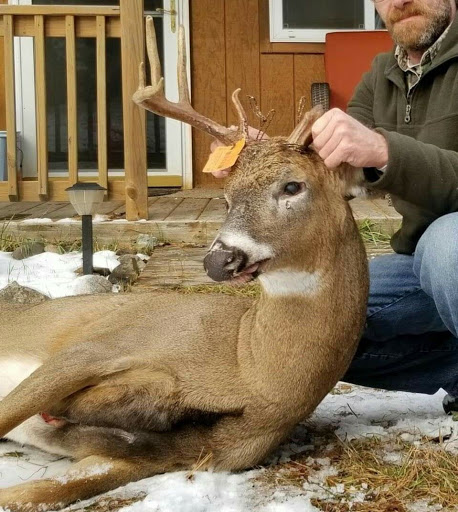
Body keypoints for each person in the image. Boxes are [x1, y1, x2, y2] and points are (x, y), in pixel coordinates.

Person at [212, 0, 458, 414]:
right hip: (419, 264)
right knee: (311, 327)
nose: (399, 2)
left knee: (447, 243)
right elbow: (334, 171)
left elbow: (378, 154)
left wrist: (383, 150)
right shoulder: (382, 76)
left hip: (447, 252)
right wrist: (266, 161)